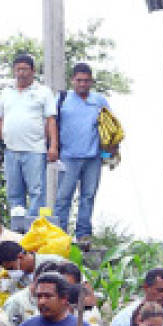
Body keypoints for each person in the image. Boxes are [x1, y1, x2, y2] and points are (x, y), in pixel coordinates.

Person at [0, 54, 58, 224]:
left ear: (33, 71)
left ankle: (33, 230)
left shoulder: (43, 92)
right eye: (18, 69)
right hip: (11, 150)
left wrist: (53, 146)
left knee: (37, 192)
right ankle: (17, 230)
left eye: (25, 69)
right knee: (14, 193)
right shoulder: (6, 92)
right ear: (14, 71)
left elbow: (51, 120)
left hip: (35, 150)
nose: (21, 73)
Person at [52, 63, 110, 250]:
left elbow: (109, 127)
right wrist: (52, 147)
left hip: (93, 157)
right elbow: (51, 124)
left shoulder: (99, 101)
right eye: (79, 80)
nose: (83, 84)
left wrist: (109, 153)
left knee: (88, 196)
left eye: (86, 81)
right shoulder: (62, 99)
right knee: (63, 197)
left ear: (91, 81)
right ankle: (59, 234)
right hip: (68, 156)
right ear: (72, 80)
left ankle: (83, 235)